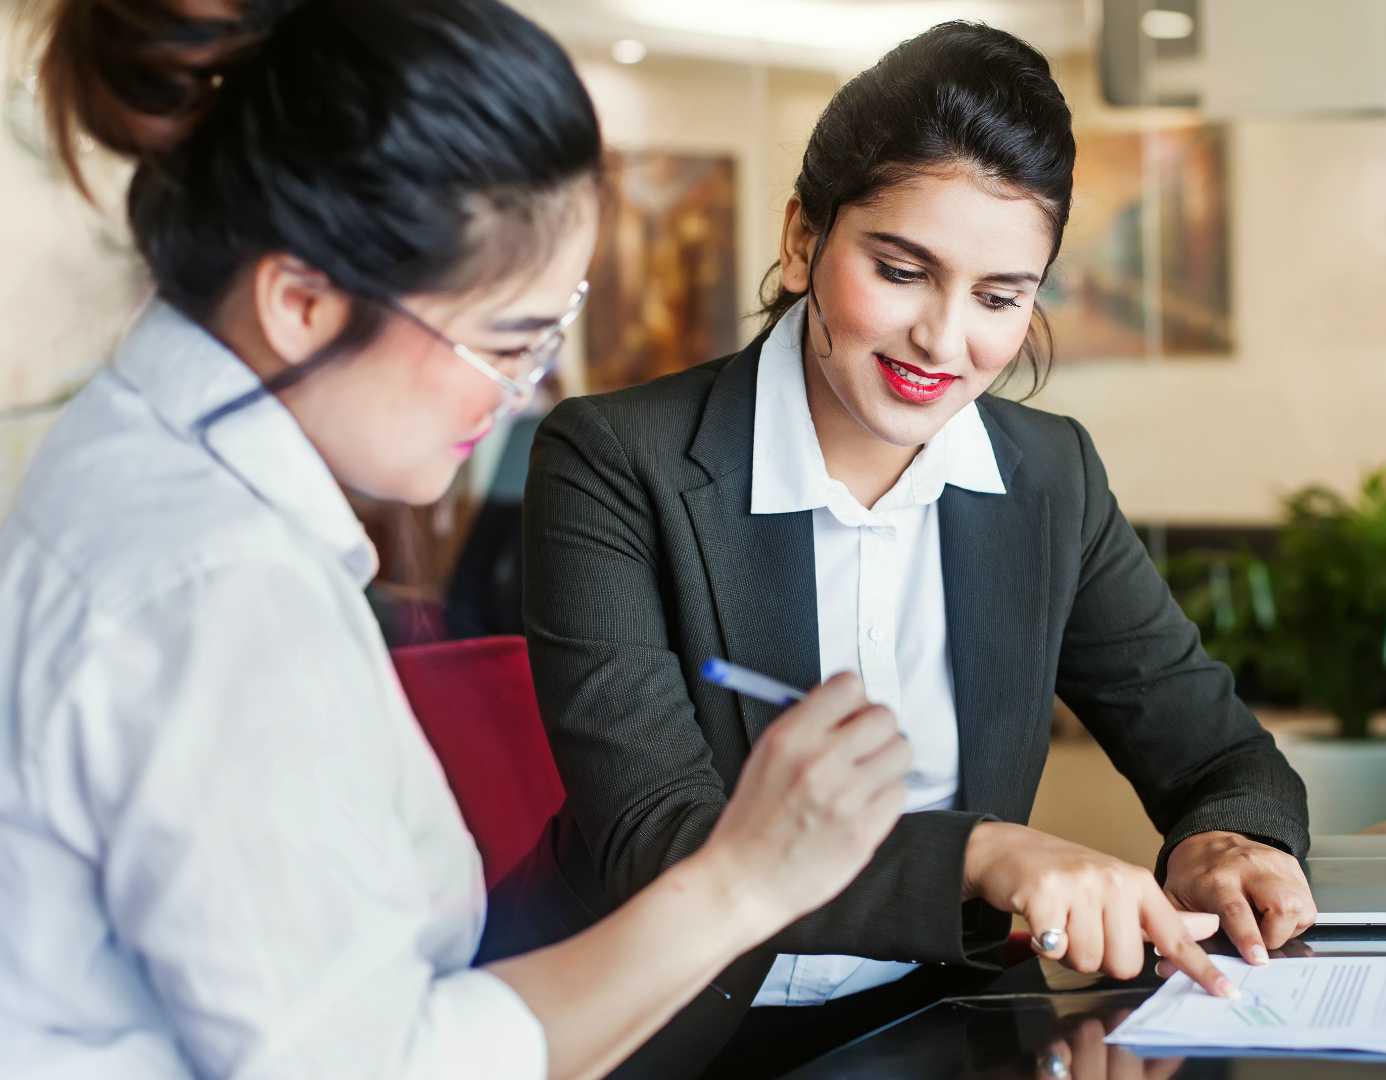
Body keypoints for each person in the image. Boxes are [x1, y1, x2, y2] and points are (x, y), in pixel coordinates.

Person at [0, 2, 909, 1077]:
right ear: (300, 301)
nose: (524, 396)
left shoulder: (141, 457)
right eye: (504, 343)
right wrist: (744, 880)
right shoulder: (217, 594)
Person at [515, 21, 1318, 1077]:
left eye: (1000, 297)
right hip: (657, 1029)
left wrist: (1224, 841)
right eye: (902, 270)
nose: (945, 342)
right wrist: (987, 855)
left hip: (943, 1023)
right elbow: (662, 838)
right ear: (804, 239)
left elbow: (1219, 754)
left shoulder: (1048, 479)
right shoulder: (617, 460)